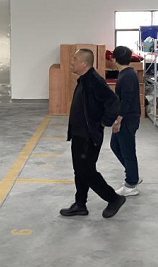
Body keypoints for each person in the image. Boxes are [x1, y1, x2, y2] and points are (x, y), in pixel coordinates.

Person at [60, 49, 126, 219]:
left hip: (88, 136)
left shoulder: (94, 81)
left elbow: (113, 102)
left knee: (87, 171)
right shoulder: (84, 79)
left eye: (75, 59)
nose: (72, 62)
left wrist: (104, 122)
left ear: (83, 63)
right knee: (79, 170)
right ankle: (80, 204)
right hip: (79, 134)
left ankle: (114, 199)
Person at [110, 46, 142, 196]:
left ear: (114, 59)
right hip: (127, 118)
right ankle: (133, 174)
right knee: (115, 145)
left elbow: (126, 101)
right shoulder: (126, 73)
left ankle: (131, 185)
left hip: (127, 119)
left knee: (127, 151)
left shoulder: (127, 76)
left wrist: (118, 121)